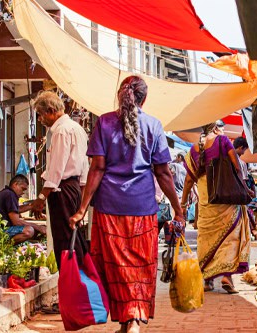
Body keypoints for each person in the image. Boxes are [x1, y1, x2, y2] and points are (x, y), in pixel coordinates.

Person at [69, 76, 184, 333]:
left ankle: (127, 319)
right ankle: (132, 318)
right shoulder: (154, 125)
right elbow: (164, 173)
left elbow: (96, 169)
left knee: (115, 267)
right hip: (142, 209)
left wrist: (81, 209)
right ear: (144, 98)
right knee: (140, 266)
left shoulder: (104, 122)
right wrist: (178, 209)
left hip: (108, 209)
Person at [181, 122, 252, 294]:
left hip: (206, 200)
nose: (223, 130)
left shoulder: (193, 150)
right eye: (221, 126)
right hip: (225, 196)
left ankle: (207, 279)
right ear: (214, 128)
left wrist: (183, 203)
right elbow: (236, 165)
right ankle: (227, 276)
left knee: (206, 238)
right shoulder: (223, 141)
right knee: (231, 236)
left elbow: (189, 180)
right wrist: (244, 186)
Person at [30, 91, 89, 269]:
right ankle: (79, 279)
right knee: (73, 236)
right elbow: (84, 166)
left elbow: (56, 169)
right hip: (74, 188)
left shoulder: (61, 131)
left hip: (62, 190)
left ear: (49, 110)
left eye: (40, 115)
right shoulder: (76, 128)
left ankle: (72, 280)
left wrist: (41, 198)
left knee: (64, 239)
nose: (40, 120)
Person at [0, 174, 46, 244]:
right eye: (22, 189)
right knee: (29, 231)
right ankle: (5, 245)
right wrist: (38, 227)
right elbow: (16, 222)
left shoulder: (7, 193)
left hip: (2, 229)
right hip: (1, 231)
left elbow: (16, 209)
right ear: (15, 184)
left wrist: (33, 205)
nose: (22, 193)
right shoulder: (10, 194)